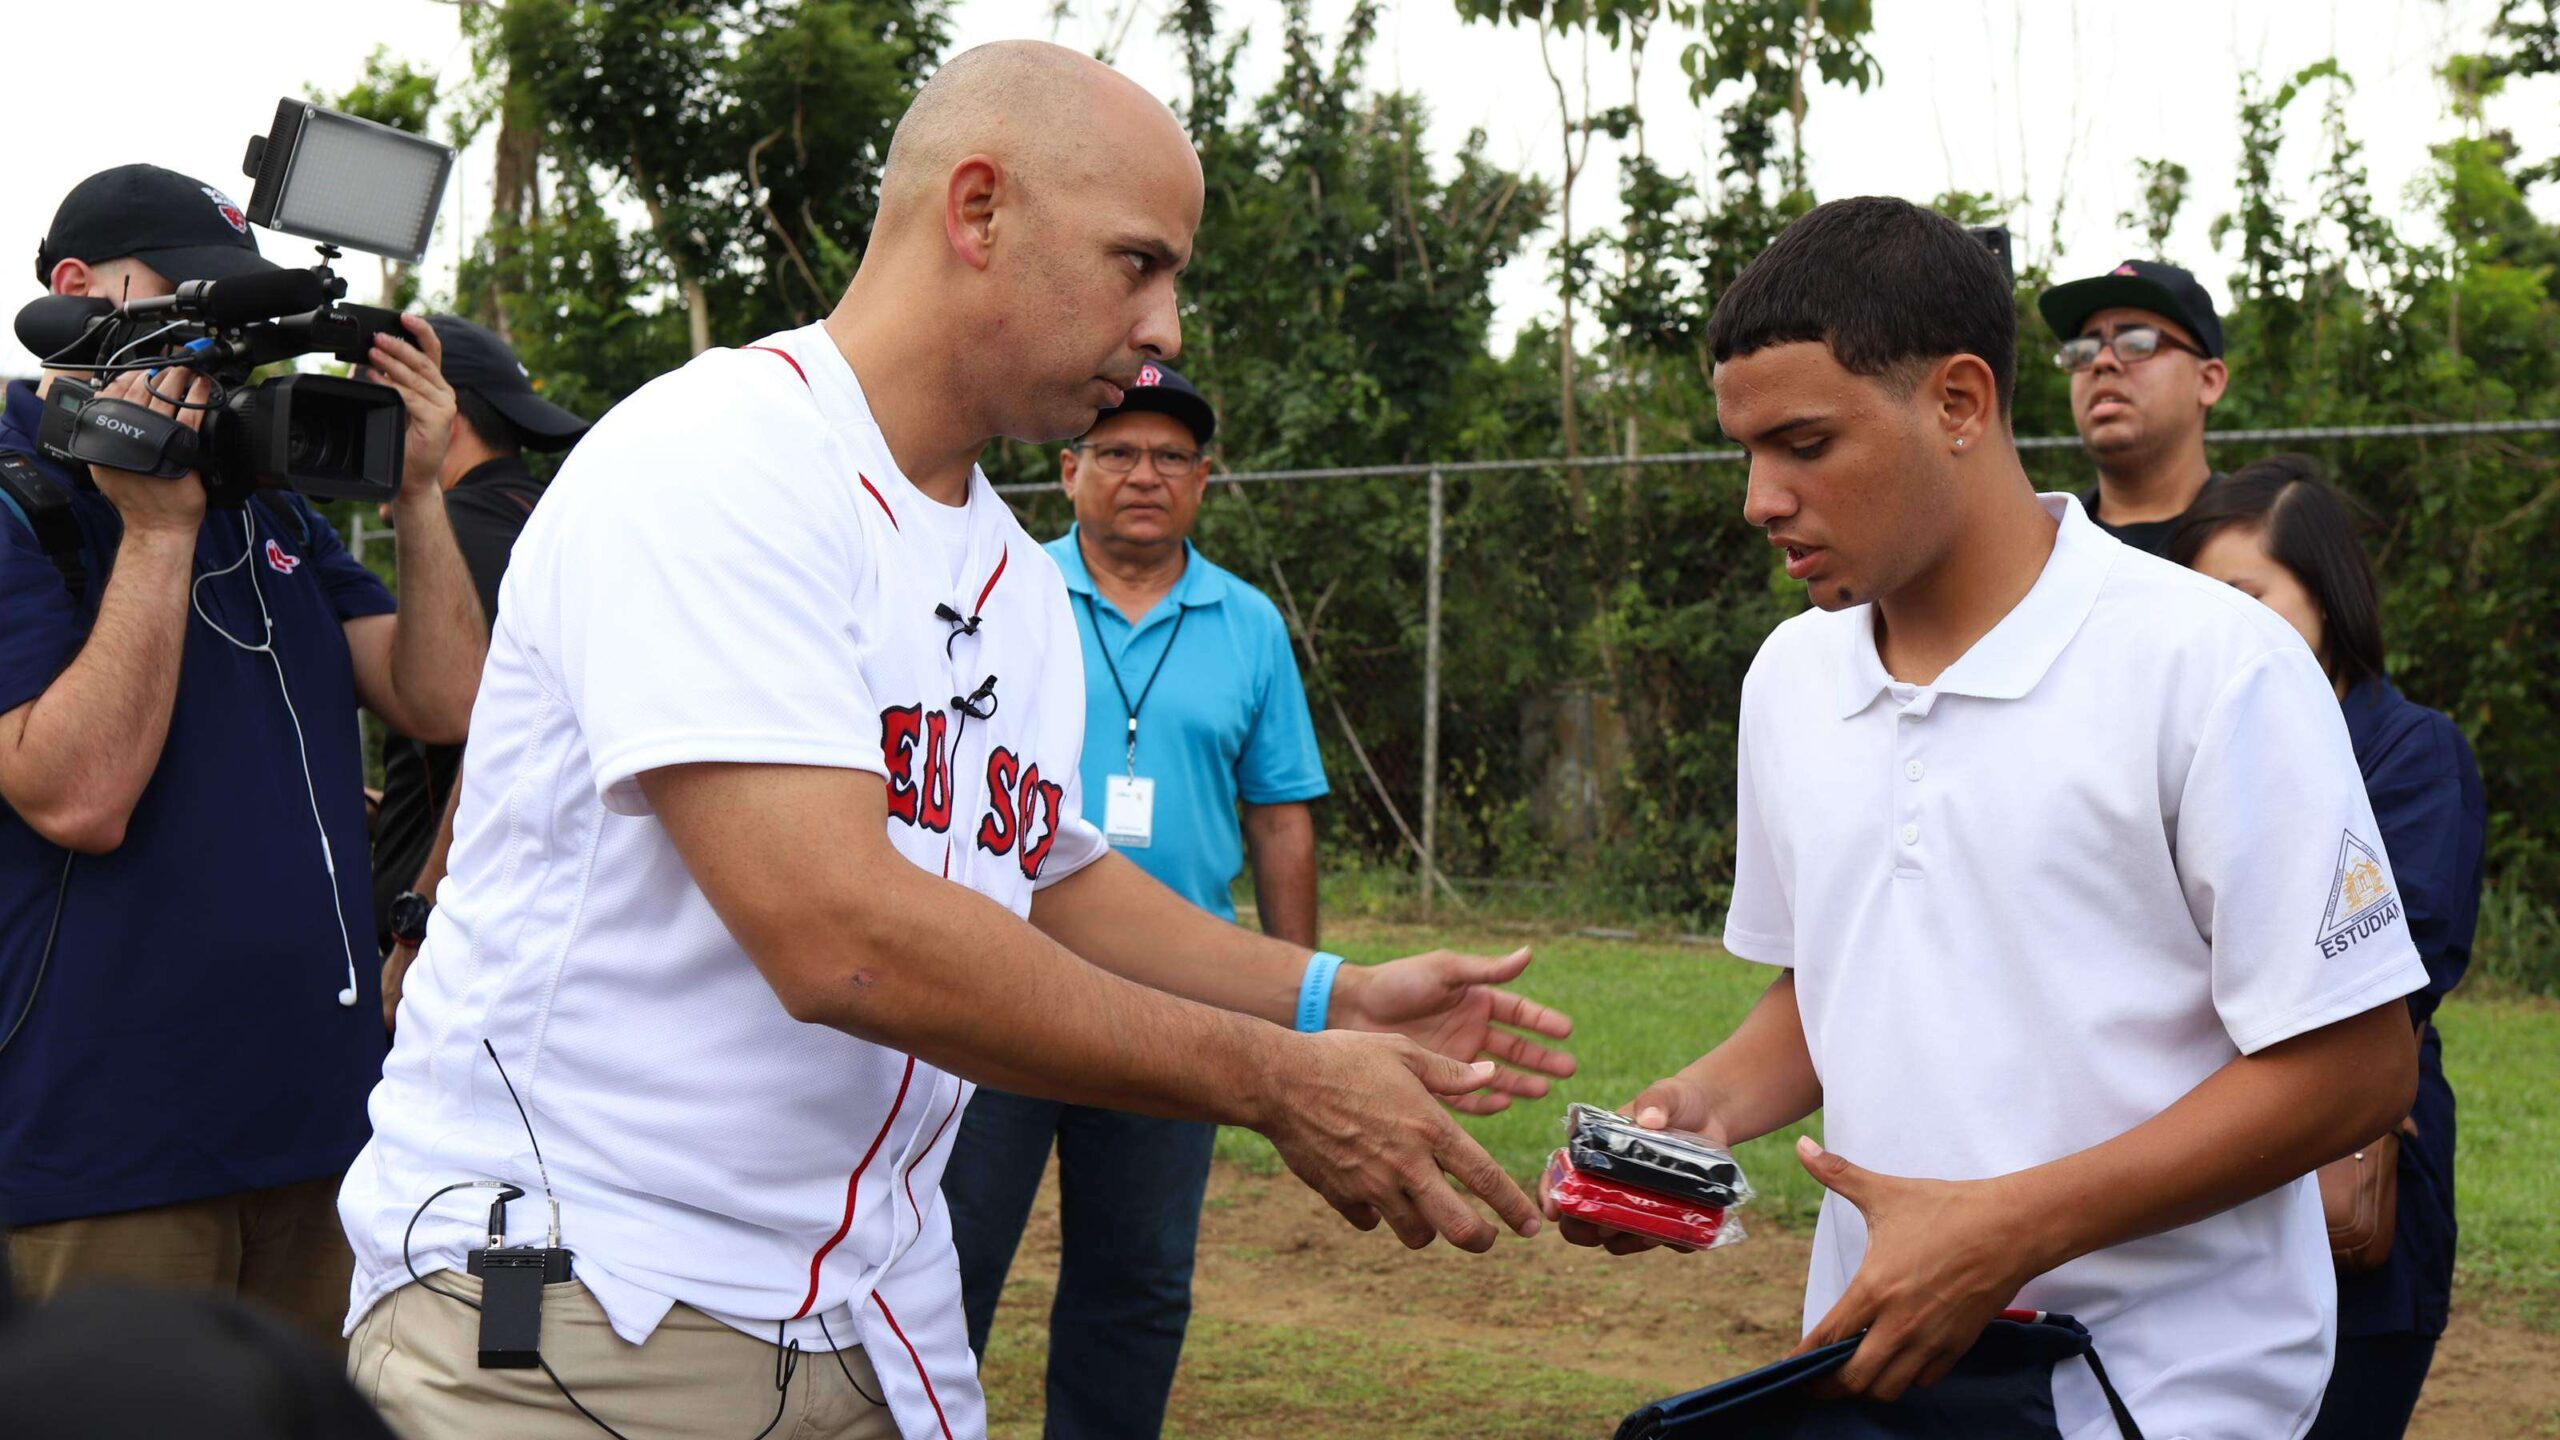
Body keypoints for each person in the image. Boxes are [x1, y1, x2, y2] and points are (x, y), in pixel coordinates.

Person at [336, 42, 1574, 1440]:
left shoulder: (1009, 575)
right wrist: (1276, 1083)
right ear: (977, 211)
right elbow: (840, 935)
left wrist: (1327, 997)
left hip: (865, 1307)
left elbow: (1041, 874)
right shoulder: (722, 461)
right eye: (1137, 264)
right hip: (582, 1296)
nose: (1165, 325)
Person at [1554, 197, 2427, 1439]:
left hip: (2162, 1388)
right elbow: (1836, 986)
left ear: (1960, 403)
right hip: (1877, 1357)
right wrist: (1696, 1112)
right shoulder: (1791, 680)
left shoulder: (2209, 662)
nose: (1759, 499)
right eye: (1746, 451)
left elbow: (2355, 1065)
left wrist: (2009, 1229)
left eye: (1804, 443)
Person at [0, 164, 486, 1345]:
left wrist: (420, 496)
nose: (226, 352)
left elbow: (442, 695)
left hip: (323, 1125)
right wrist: (156, 532)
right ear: (79, 291)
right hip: (111, 1149)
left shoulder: (267, 501)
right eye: (194, 303)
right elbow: (76, 798)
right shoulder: (20, 490)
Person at [943, 362, 1330, 1437]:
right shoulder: (1003, 594)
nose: (1143, 474)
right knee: (950, 1256)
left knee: (1140, 1276)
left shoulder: (1247, 625)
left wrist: (1296, 999)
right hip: (1001, 984)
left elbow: (1280, 811)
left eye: (1170, 457)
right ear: (1069, 472)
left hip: (1178, 1000)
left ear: (1203, 482)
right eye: (1116, 452)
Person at [2171, 455, 2484, 1440]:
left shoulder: (2411, 751)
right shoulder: (2180, 752)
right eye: (2192, 602)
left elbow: (2398, 965)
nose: (2215, 628)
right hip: (2195, 1177)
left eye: (2245, 597)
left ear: (2328, 600)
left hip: (2348, 1189)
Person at [370, 315, 590, 1032]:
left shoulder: (451, 536)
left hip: (445, 946)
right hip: (552, 925)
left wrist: (414, 924)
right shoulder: (562, 520)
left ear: (440, 411)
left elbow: (489, 742)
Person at [2038, 258, 2230, 554]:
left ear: (2208, 381)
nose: (2102, 362)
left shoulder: (2265, 537)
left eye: (2137, 343)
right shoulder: (2042, 547)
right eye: (2083, 351)